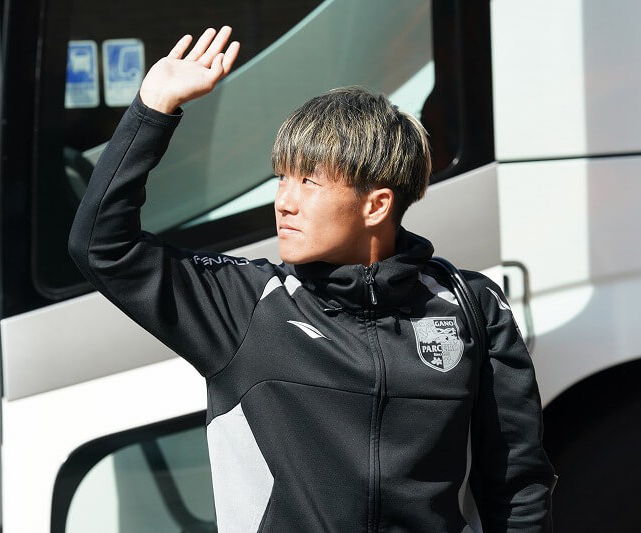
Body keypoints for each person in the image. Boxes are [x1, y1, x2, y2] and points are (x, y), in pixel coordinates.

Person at [68, 26, 556, 532]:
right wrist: (153, 107)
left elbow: (517, 484)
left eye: (308, 181)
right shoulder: (245, 303)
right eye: (282, 177)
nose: (284, 201)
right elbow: (102, 246)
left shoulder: (472, 306)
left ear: (376, 206)